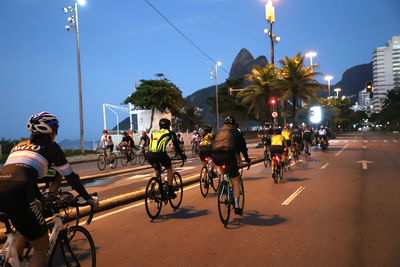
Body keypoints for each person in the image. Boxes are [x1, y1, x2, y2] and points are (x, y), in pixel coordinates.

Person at [0, 111, 98, 267]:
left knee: (25, 224)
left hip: (4, 188)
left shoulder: (18, 146)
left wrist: (37, 197)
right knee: (41, 245)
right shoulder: (52, 147)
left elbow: (22, 174)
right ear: (52, 132)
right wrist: (88, 198)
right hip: (18, 194)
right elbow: (71, 177)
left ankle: (13, 260)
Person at [212, 116, 251, 215]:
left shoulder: (219, 131)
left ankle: (222, 180)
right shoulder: (236, 131)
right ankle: (237, 205)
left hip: (215, 155)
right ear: (234, 124)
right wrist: (247, 159)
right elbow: (242, 148)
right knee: (235, 179)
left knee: (221, 166)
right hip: (228, 155)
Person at [146, 118, 186, 198]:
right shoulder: (170, 133)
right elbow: (176, 145)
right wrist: (181, 155)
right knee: (169, 168)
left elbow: (150, 144)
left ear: (160, 126)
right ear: (169, 126)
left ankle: (152, 189)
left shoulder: (153, 132)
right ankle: (170, 190)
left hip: (149, 154)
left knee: (157, 170)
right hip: (160, 154)